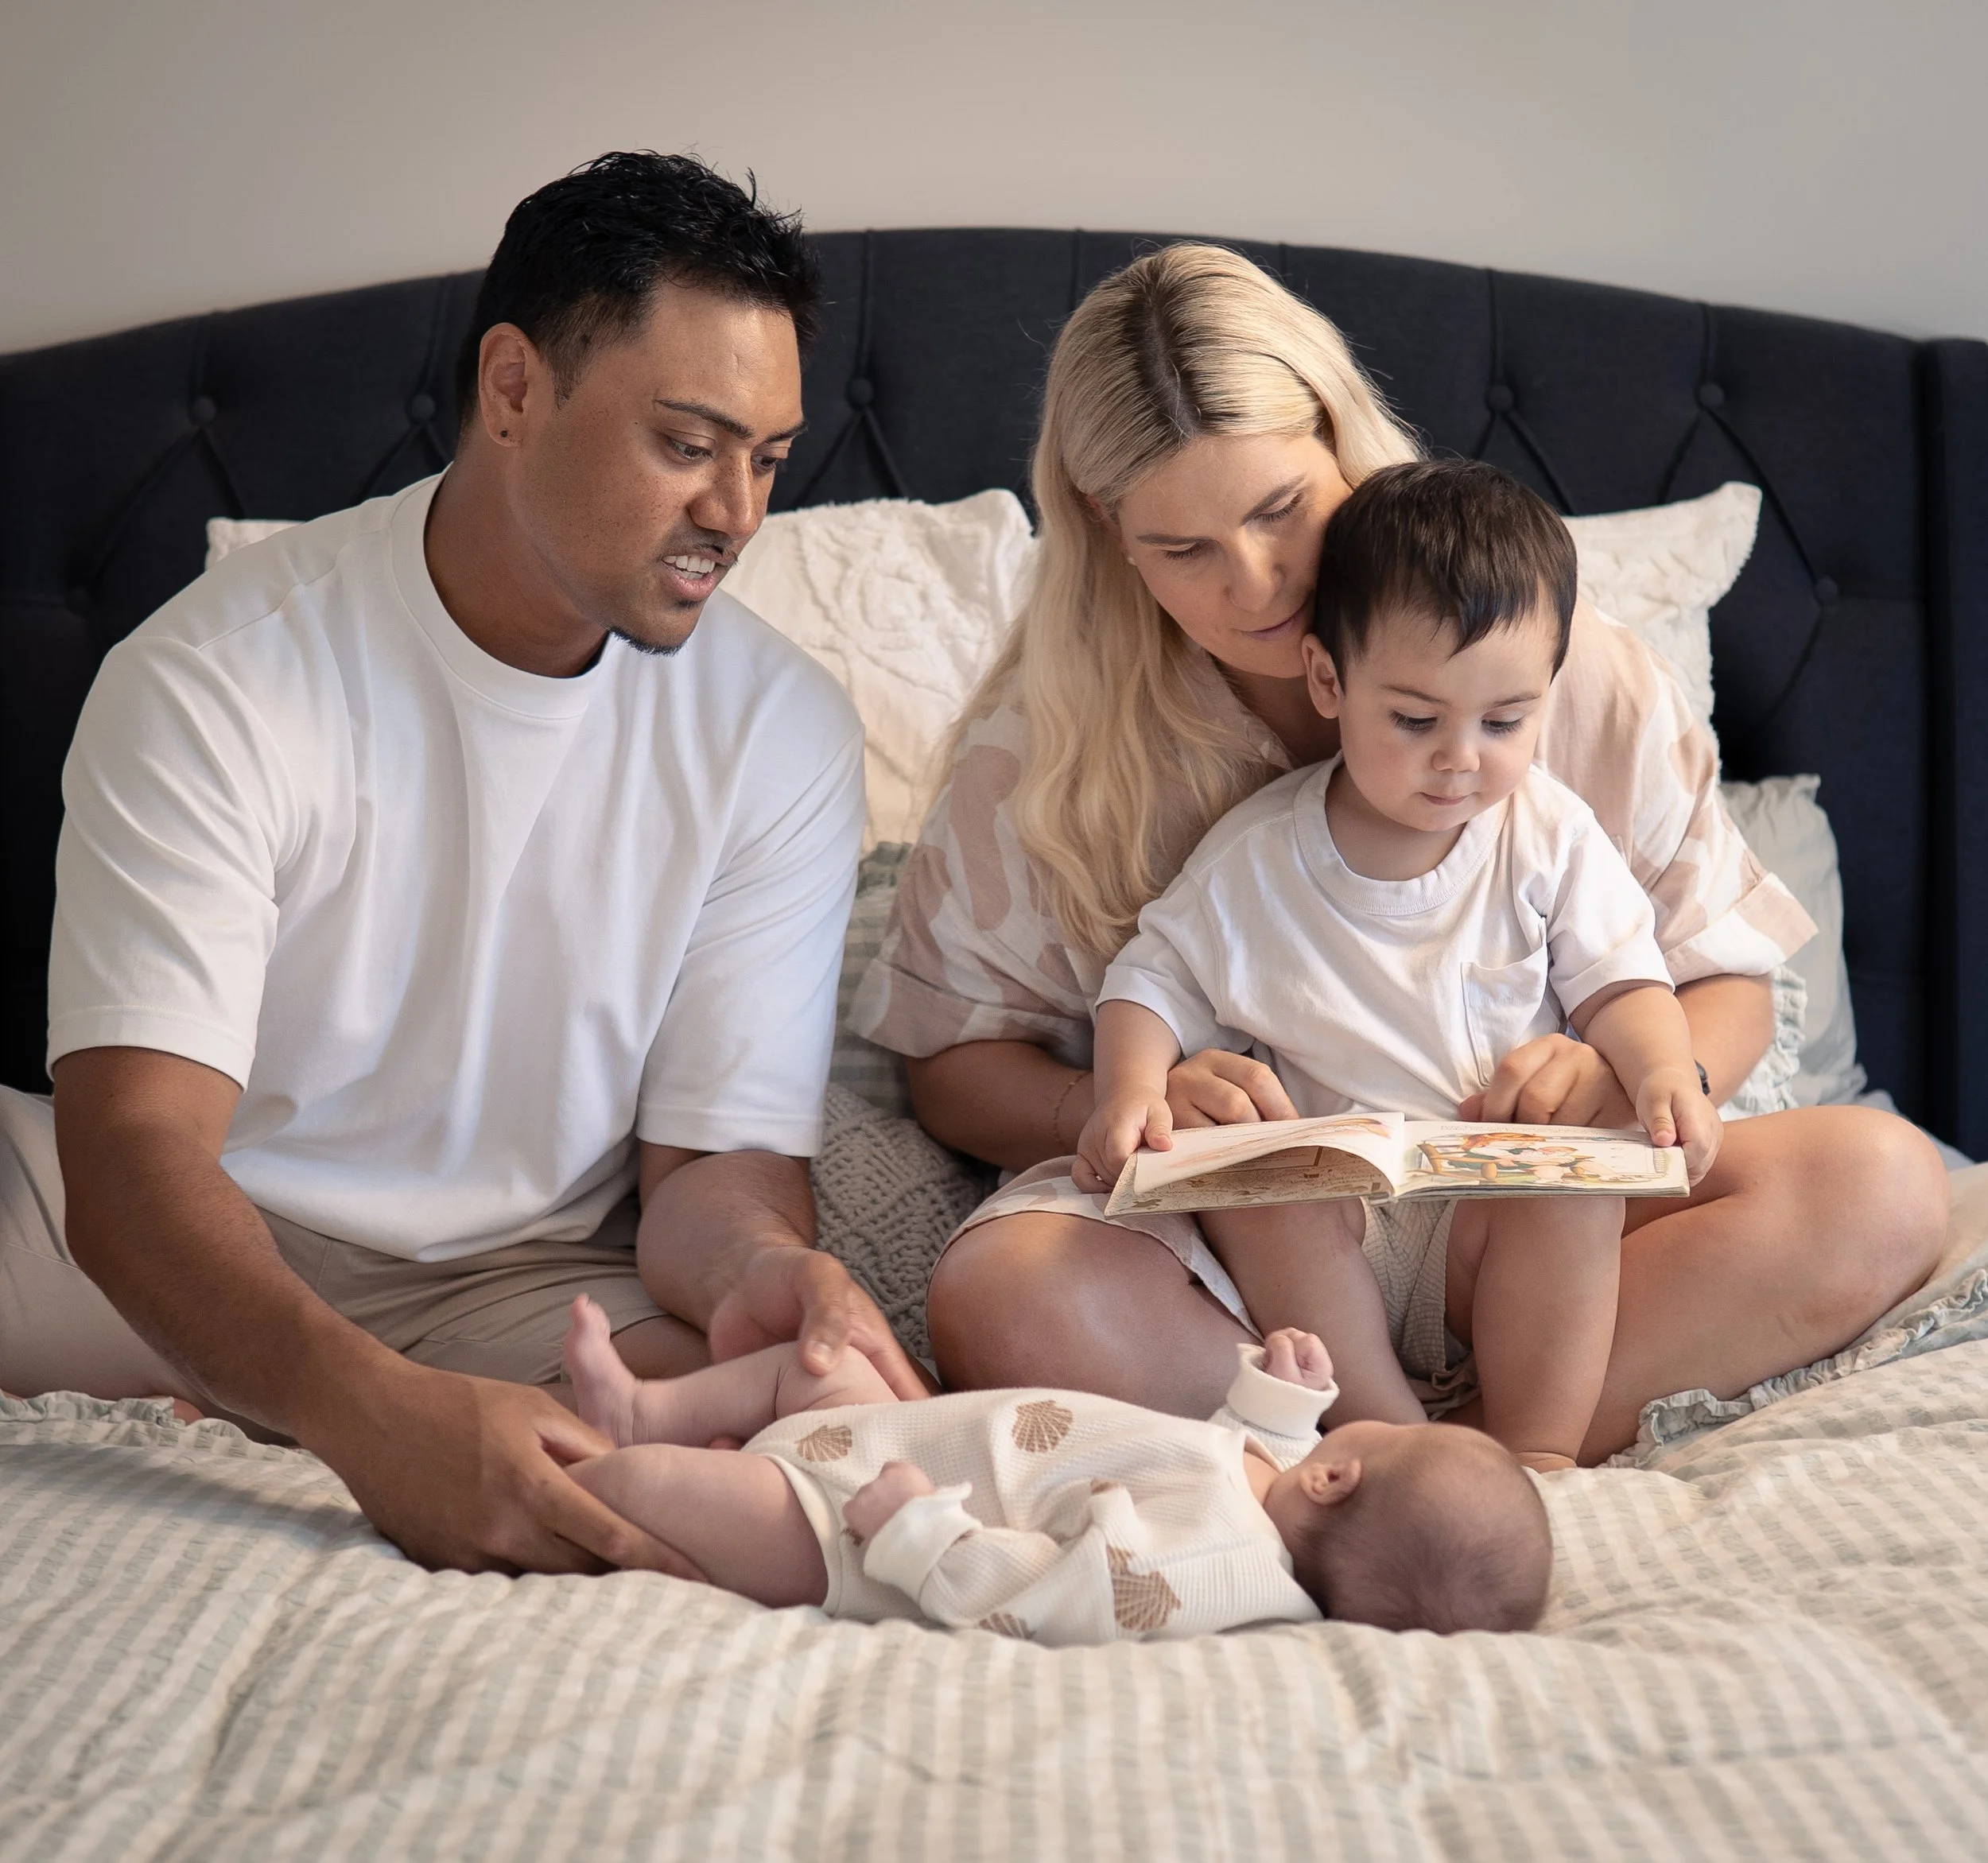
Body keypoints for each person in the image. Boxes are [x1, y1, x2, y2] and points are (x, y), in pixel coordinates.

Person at [849, 244, 1950, 1458]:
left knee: (1884, 1183)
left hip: (1532, 1212)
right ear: (1109, 530)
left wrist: (1627, 1077)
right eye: (1184, 549)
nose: (1257, 583)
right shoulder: (1048, 746)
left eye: (1279, 508)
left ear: (1337, 437)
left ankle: (1466, 1453)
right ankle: (1397, 1438)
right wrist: (1134, 1100)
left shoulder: (1558, 674)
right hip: (1247, 1254)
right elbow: (952, 1069)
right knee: (1005, 1292)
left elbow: (1721, 980)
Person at [0, 152, 923, 1577]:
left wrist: (760, 1268)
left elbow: (710, 1170)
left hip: (525, 1277)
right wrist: (363, 1412)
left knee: (827, 1449)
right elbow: (130, 1164)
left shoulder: (780, 728)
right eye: (689, 443)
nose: (738, 513)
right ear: (512, 390)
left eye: (768, 457)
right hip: (162, 1237)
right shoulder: (218, 676)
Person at [1076, 459, 1720, 1471]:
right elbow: (1148, 980)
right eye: (1415, 721)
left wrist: (1664, 1074)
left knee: (1574, 1178)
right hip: (1332, 1235)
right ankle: (1391, 1439)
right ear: (1328, 681)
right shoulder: (1255, 857)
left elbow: (1625, 983)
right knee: (1261, 1184)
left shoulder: (1547, 834)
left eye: (1505, 722)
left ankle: (1536, 1453)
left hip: (1486, 1218)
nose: (1461, 758)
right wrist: (1129, 1091)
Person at [560, 1294, 1551, 1640]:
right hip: (905, 1436)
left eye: (1385, 1438)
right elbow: (1224, 1455)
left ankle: (580, 1478)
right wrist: (1283, 1404)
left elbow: (1050, 1594)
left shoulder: (1211, 1566)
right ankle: (646, 1408)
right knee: (818, 1368)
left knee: (659, 1496)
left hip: (844, 1531)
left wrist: (913, 1532)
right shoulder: (1272, 1498)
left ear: (1342, 1479)